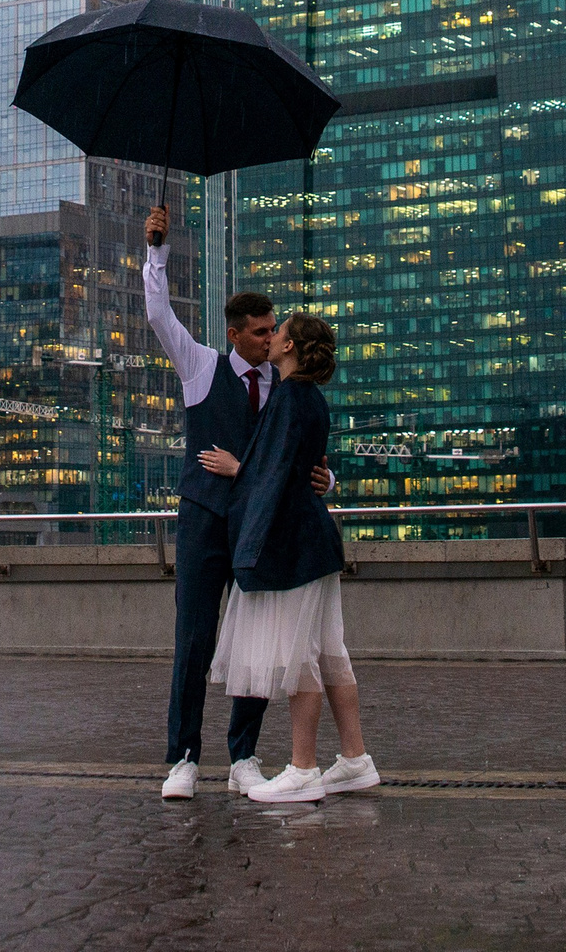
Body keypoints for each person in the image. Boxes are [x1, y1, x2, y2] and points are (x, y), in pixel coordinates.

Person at [143, 203, 328, 801]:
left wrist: (326, 480)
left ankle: (243, 756)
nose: (271, 337)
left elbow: (300, 452)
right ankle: (184, 759)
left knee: (256, 644)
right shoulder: (200, 366)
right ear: (234, 334)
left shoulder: (285, 386)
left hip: (256, 527)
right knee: (194, 638)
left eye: (274, 330)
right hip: (202, 520)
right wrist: (156, 251)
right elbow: (158, 313)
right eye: (261, 331)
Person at [199, 312, 380, 803]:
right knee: (328, 651)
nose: (272, 336)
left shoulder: (288, 398)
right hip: (314, 541)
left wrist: (237, 472)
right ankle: (355, 759)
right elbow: (297, 470)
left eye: (278, 332)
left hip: (292, 545)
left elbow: (271, 475)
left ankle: (303, 767)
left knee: (302, 656)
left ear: (290, 347)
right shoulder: (311, 398)